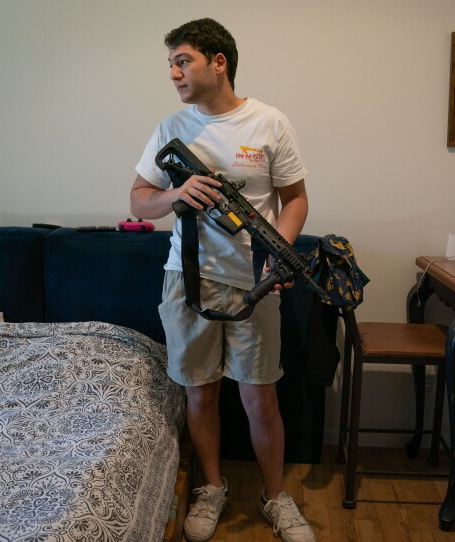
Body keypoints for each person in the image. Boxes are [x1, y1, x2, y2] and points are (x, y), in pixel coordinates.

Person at [129, 17, 316, 542]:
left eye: (182, 60)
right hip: (187, 280)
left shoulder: (270, 123)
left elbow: (295, 198)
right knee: (200, 393)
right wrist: (175, 196)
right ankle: (212, 488)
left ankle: (275, 497)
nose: (173, 73)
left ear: (219, 62)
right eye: (170, 64)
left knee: (261, 397)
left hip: (254, 283)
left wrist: (277, 255)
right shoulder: (172, 129)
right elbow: (138, 200)